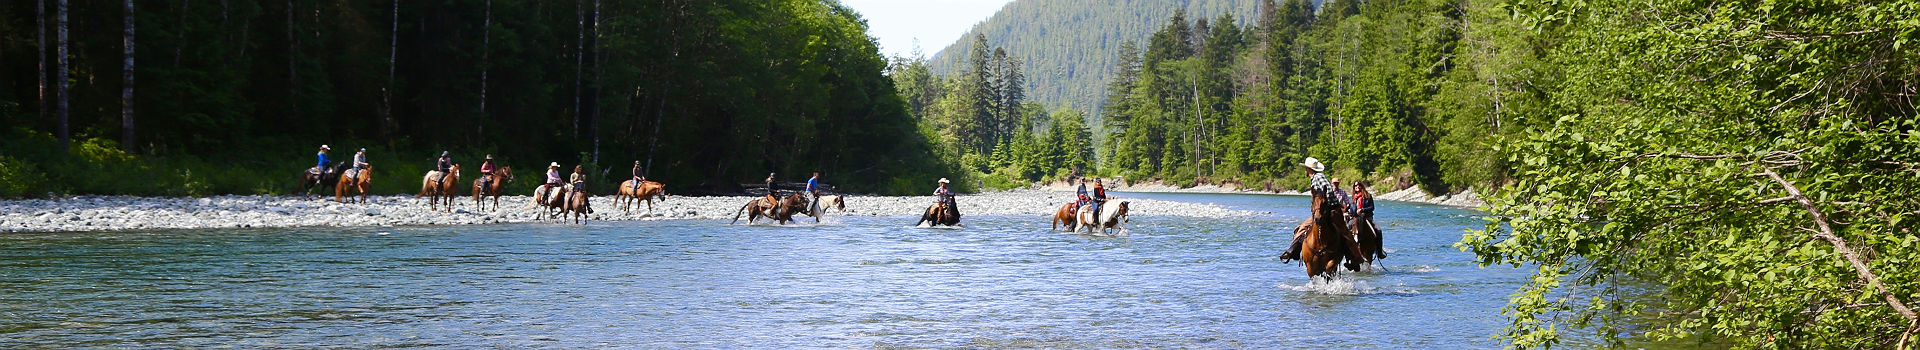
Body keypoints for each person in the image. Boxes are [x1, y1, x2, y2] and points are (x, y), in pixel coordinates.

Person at [1282, 157, 1333, 261]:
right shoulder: (1315, 177)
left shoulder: (1319, 177)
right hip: (1321, 210)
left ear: (1309, 169)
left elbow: (1329, 192)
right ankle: (1294, 251)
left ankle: (1292, 251)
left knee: (1302, 228)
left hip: (1325, 210)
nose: (1305, 170)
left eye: (1306, 168)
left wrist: (1324, 205)